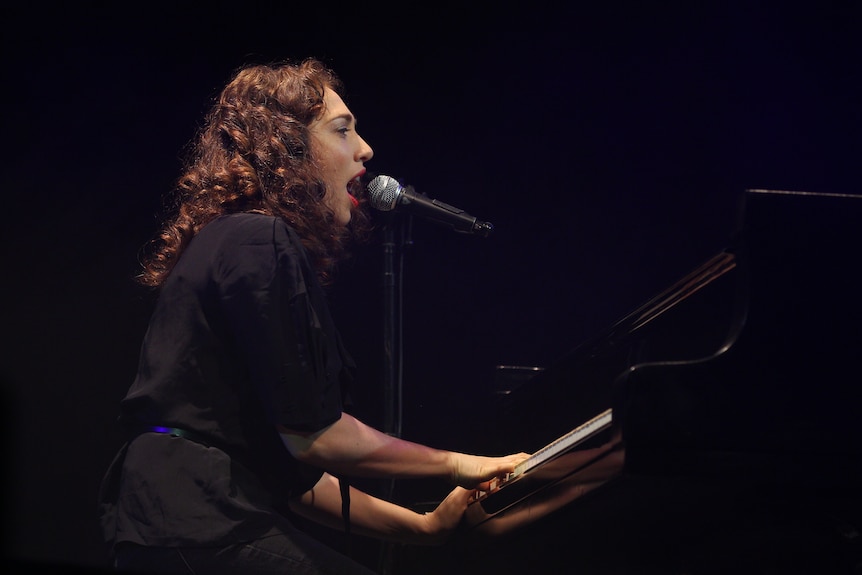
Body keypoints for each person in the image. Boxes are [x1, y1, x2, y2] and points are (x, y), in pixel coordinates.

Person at [97, 58, 527, 574]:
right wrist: (460, 463)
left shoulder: (238, 240)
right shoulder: (259, 238)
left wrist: (424, 527)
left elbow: (288, 466)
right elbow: (316, 436)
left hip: (175, 521)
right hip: (196, 522)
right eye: (342, 130)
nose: (365, 149)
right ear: (288, 148)